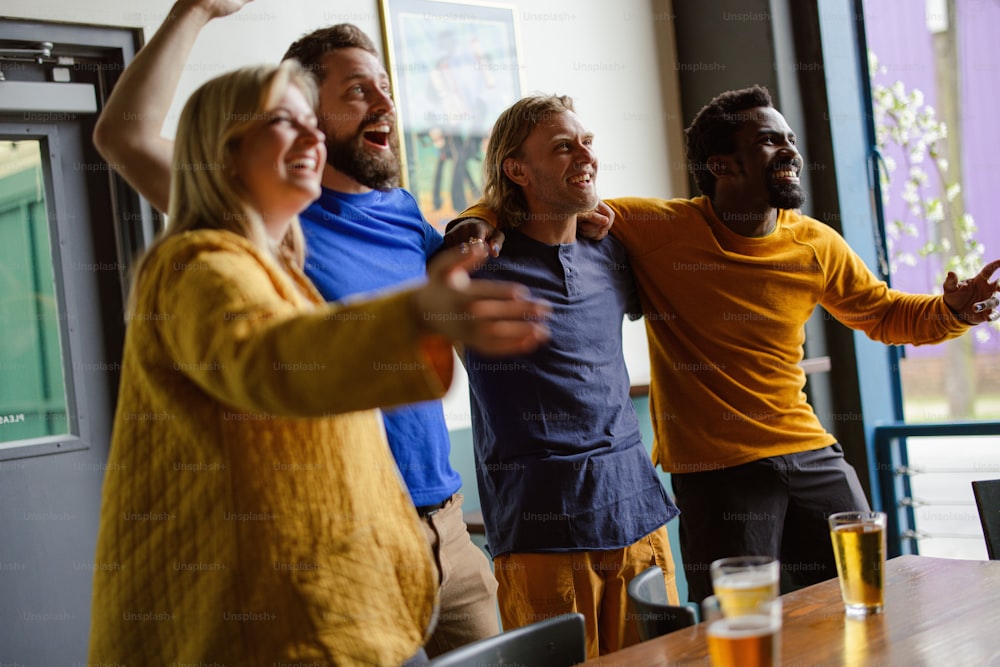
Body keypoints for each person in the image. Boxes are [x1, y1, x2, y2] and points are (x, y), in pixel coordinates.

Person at [450, 84, 1000, 604]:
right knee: (738, 626)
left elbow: (883, 314)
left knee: (861, 598)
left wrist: (952, 311)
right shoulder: (653, 227)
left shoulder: (814, 242)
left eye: (788, 139)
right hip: (718, 474)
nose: (789, 150)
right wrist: (474, 223)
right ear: (721, 165)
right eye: (769, 140)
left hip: (810, 453)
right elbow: (539, 203)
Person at [86, 60, 549, 666]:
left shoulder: (281, 269)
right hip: (265, 621)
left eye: (313, 123)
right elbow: (269, 358)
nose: (313, 139)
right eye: (285, 122)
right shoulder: (196, 267)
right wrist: (417, 314)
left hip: (358, 584)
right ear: (221, 151)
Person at [451, 94, 681, 659]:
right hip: (542, 532)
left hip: (637, 515)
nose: (585, 154)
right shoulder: (475, 261)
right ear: (517, 169)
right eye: (562, 146)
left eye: (587, 142)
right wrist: (478, 217)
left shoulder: (612, 252)